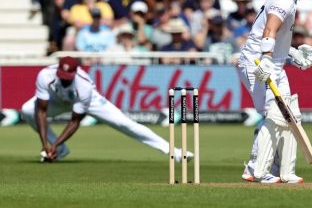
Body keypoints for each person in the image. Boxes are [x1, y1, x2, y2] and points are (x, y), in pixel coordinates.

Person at [21, 56, 193, 162]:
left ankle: (174, 152)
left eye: (68, 78)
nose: (64, 80)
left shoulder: (84, 85)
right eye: (62, 76)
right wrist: (45, 145)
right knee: (27, 109)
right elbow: (41, 111)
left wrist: (57, 141)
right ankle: (58, 150)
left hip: (90, 102)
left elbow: (75, 121)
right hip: (57, 100)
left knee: (126, 124)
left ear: (75, 72)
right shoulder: (45, 76)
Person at [238, 0, 312, 184]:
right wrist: (265, 60)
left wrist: (294, 55)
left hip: (272, 63)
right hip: (260, 63)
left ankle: (284, 170)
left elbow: (274, 34)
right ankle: (255, 168)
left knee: (290, 113)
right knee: (274, 115)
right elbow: (270, 28)